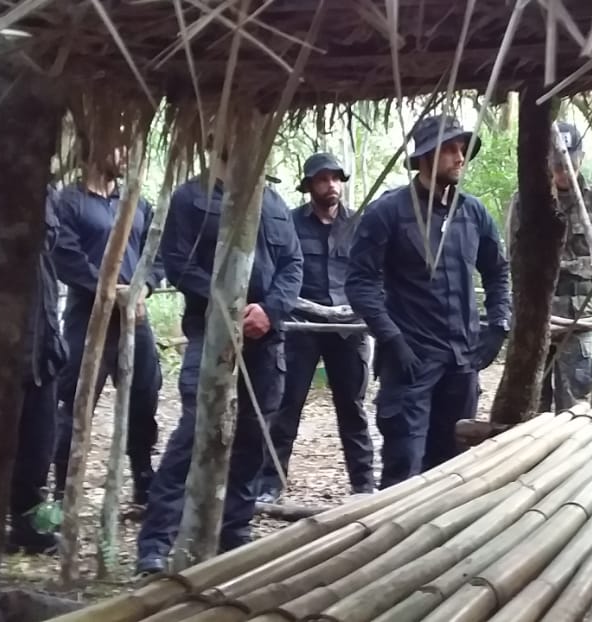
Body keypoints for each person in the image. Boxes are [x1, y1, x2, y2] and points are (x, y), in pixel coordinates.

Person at [136, 153, 303, 575]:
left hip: (266, 339)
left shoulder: (275, 202)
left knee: (250, 438)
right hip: (210, 336)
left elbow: (292, 265)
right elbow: (179, 264)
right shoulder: (190, 197)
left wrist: (270, 309)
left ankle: (235, 531)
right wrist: (225, 304)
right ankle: (156, 542)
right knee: (194, 434)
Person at [346, 115, 511, 489]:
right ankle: (393, 545)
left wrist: (498, 325)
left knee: (454, 468)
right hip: (411, 364)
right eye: (450, 149)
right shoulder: (387, 213)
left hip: (462, 361)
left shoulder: (473, 213)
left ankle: (444, 546)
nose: (459, 157)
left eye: (462, 149)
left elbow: (498, 271)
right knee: (405, 468)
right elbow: (359, 283)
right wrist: (392, 339)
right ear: (425, 157)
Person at [255, 153, 374, 504]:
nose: (331, 185)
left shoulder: (359, 223)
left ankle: (364, 484)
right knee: (286, 404)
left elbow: (371, 272)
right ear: (309, 186)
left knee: (352, 407)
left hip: (348, 329)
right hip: (300, 326)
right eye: (322, 179)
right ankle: (270, 482)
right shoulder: (289, 223)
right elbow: (279, 270)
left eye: (336, 178)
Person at [50, 140, 162, 505]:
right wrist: (107, 291)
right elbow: (65, 255)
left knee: (144, 395)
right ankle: (62, 489)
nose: (126, 153)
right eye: (119, 145)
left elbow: (153, 253)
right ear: (94, 149)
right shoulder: (68, 201)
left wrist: (143, 286)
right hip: (89, 316)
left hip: (135, 316)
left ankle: (143, 478)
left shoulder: (136, 202)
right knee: (76, 400)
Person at [504, 121, 592, 412]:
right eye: (556, 164)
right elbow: (515, 256)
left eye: (569, 162)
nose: (563, 170)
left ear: (581, 157)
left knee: (575, 404)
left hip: (579, 319)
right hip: (537, 317)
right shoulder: (525, 202)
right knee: (530, 403)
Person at [5, 190, 68, 555]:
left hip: (41, 350)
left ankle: (27, 525)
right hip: (4, 354)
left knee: (38, 445)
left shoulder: (45, 191)